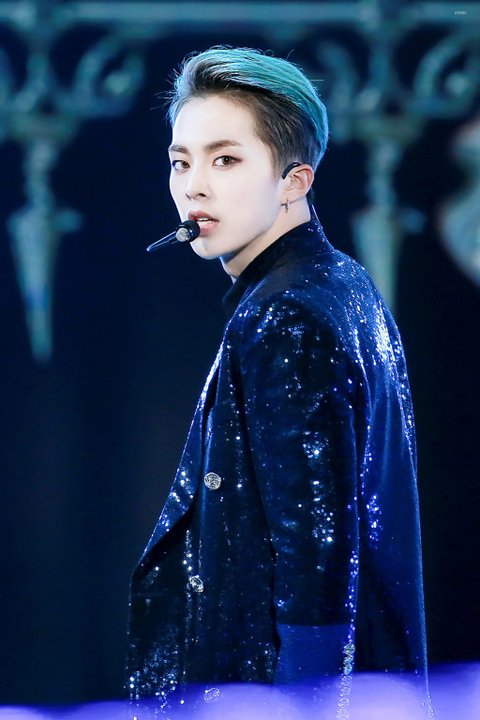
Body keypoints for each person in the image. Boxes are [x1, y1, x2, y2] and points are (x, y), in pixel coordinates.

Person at [126, 46, 433, 718]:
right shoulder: (339, 283)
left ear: (295, 180)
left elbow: (317, 549)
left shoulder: (286, 314)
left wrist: (307, 706)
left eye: (225, 160)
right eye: (181, 161)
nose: (194, 187)